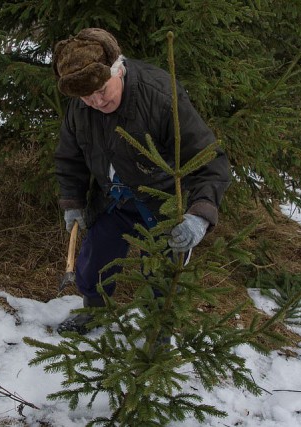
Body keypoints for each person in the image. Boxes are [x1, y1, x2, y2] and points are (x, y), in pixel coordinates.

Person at [52, 28, 231, 334]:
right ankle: (95, 311)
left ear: (117, 70)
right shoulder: (81, 106)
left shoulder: (160, 95)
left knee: (161, 272)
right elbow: (70, 159)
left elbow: (209, 160)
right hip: (113, 200)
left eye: (101, 90)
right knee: (94, 261)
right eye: (86, 95)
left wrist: (199, 215)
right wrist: (73, 202)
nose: (95, 101)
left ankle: (156, 332)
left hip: (160, 200)